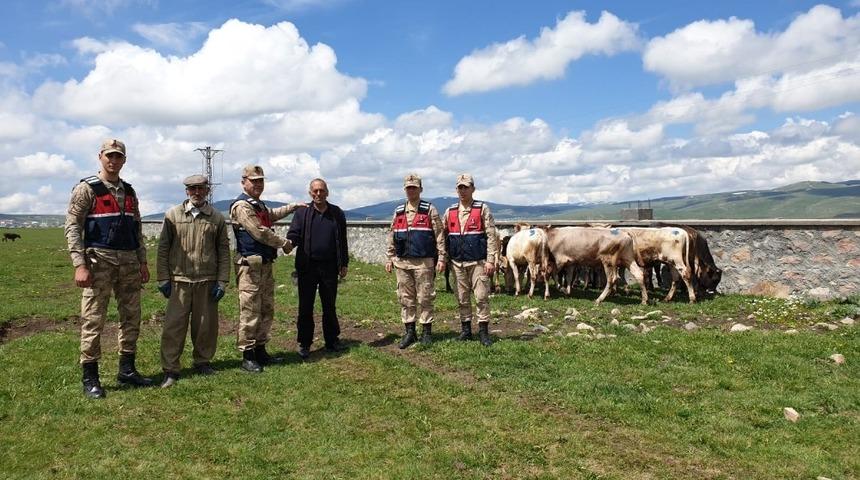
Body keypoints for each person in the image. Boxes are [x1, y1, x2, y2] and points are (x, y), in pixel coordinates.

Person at [65, 139, 153, 399]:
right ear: (100, 157)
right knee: (93, 320)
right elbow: (73, 228)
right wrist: (79, 264)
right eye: (109, 156)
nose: (113, 161)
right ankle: (90, 376)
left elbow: (136, 229)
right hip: (98, 262)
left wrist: (143, 262)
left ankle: (127, 369)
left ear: (124, 160)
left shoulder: (129, 191)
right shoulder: (86, 189)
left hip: (128, 263)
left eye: (119, 157)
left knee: (131, 317)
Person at [156, 174, 231, 388]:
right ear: (186, 191)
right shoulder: (173, 215)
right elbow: (163, 249)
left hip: (207, 281)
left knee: (205, 326)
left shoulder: (216, 218)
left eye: (201, 188)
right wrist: (163, 278)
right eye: (192, 189)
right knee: (174, 327)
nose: (197, 192)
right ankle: (170, 369)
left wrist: (222, 281)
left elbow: (223, 251)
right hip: (179, 281)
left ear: (207, 190)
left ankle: (203, 362)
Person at [230, 165, 304, 373]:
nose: (258, 185)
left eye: (261, 181)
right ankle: (248, 355)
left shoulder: (258, 205)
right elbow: (259, 232)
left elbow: (270, 215)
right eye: (254, 181)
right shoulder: (242, 206)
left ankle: (261, 350)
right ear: (244, 181)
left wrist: (292, 207)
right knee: (250, 310)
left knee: (266, 308)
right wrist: (284, 243)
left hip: (264, 266)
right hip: (249, 268)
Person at [286, 178, 349, 359]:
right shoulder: (302, 213)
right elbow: (294, 234)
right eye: (315, 191)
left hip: (329, 267)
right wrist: (289, 242)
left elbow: (343, 240)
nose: (318, 194)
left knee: (329, 305)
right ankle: (304, 343)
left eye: (321, 190)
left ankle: (332, 340)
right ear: (310, 193)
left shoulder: (336, 213)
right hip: (307, 267)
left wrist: (343, 263)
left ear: (327, 192)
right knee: (305, 306)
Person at [385, 174, 446, 348]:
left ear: (420, 189)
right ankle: (409, 332)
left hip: (424, 262)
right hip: (402, 262)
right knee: (405, 298)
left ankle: (426, 331)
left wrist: (441, 257)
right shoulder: (398, 211)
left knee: (425, 297)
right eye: (408, 187)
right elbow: (391, 235)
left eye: (414, 187)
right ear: (405, 189)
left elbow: (439, 234)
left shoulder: (429, 209)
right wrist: (389, 257)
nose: (411, 190)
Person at [443, 174, 499, 346]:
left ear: (473, 189)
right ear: (456, 190)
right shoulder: (450, 212)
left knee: (481, 297)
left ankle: (483, 331)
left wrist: (490, 260)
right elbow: (443, 236)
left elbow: (491, 236)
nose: (463, 191)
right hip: (457, 263)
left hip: (478, 262)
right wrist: (443, 258)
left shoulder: (482, 209)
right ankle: (466, 330)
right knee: (462, 298)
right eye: (460, 187)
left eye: (466, 187)